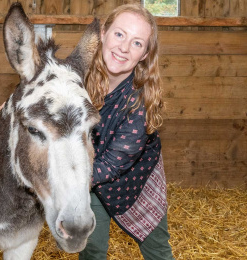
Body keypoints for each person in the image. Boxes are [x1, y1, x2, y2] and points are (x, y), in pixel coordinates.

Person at [78, 3, 174, 260]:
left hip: (136, 181)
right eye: (119, 34)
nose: (123, 47)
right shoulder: (80, 73)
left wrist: (68, 181)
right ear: (103, 34)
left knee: (157, 251)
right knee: (92, 249)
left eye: (137, 43)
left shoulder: (139, 100)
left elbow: (112, 164)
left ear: (144, 54)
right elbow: (44, 89)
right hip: (91, 177)